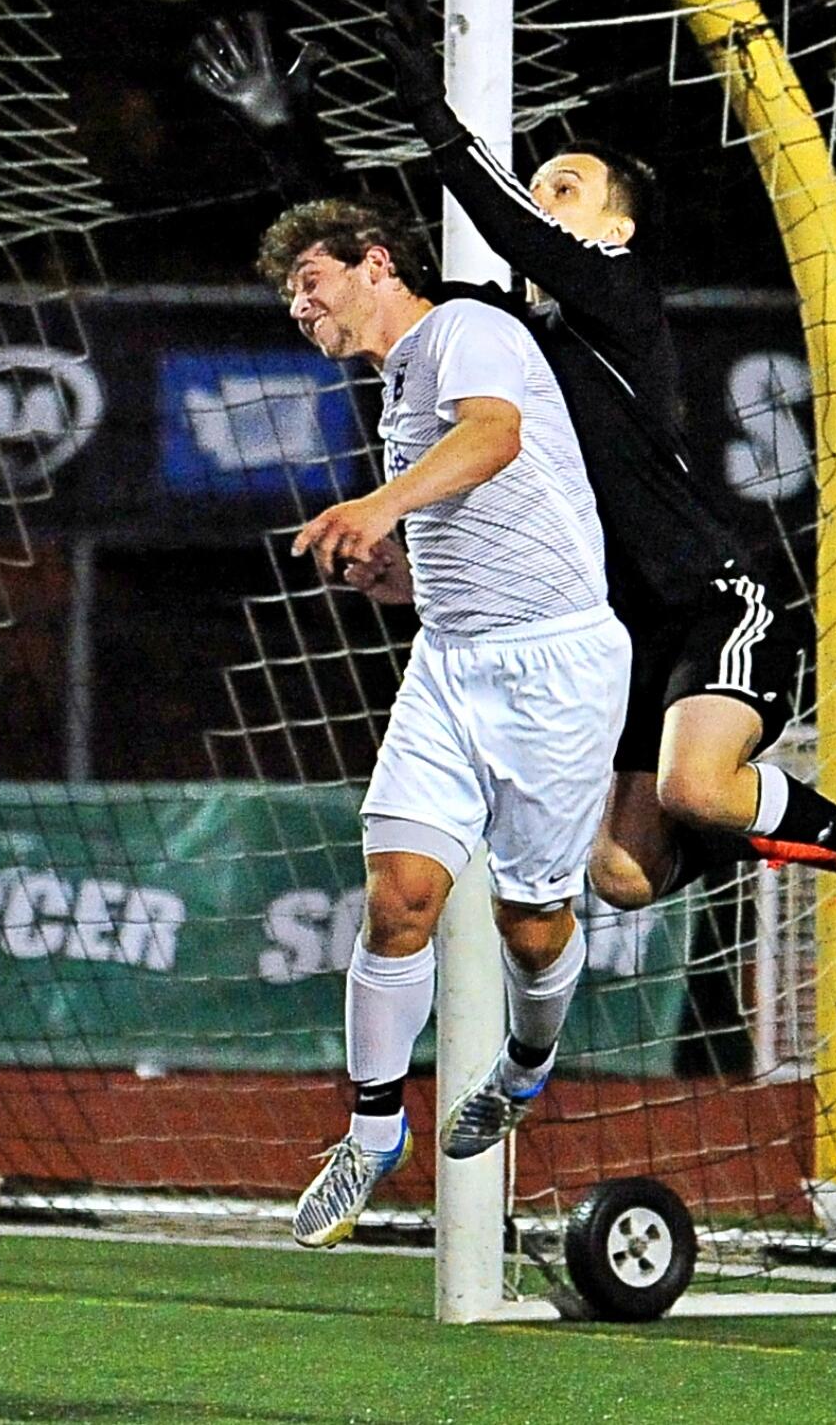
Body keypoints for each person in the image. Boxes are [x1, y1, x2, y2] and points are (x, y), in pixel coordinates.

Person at [193, 0, 836, 980]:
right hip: (605, 637)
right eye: (536, 184)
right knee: (618, 874)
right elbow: (377, 280)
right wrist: (289, 136)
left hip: (709, 602)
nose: (541, 197)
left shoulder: (620, 293)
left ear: (617, 221)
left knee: (694, 785)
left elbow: (521, 237)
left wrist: (433, 115)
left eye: (564, 186)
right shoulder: (490, 336)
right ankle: (767, 827)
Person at [255, 197, 631, 1246]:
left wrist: (377, 506)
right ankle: (374, 1129)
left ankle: (525, 1061)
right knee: (397, 898)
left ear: (374, 263)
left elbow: (495, 437)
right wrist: (398, 578)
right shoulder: (394, 389)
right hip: (450, 663)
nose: (299, 305)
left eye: (308, 281)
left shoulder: (465, 330)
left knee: (528, 921)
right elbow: (473, 542)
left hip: (555, 667)